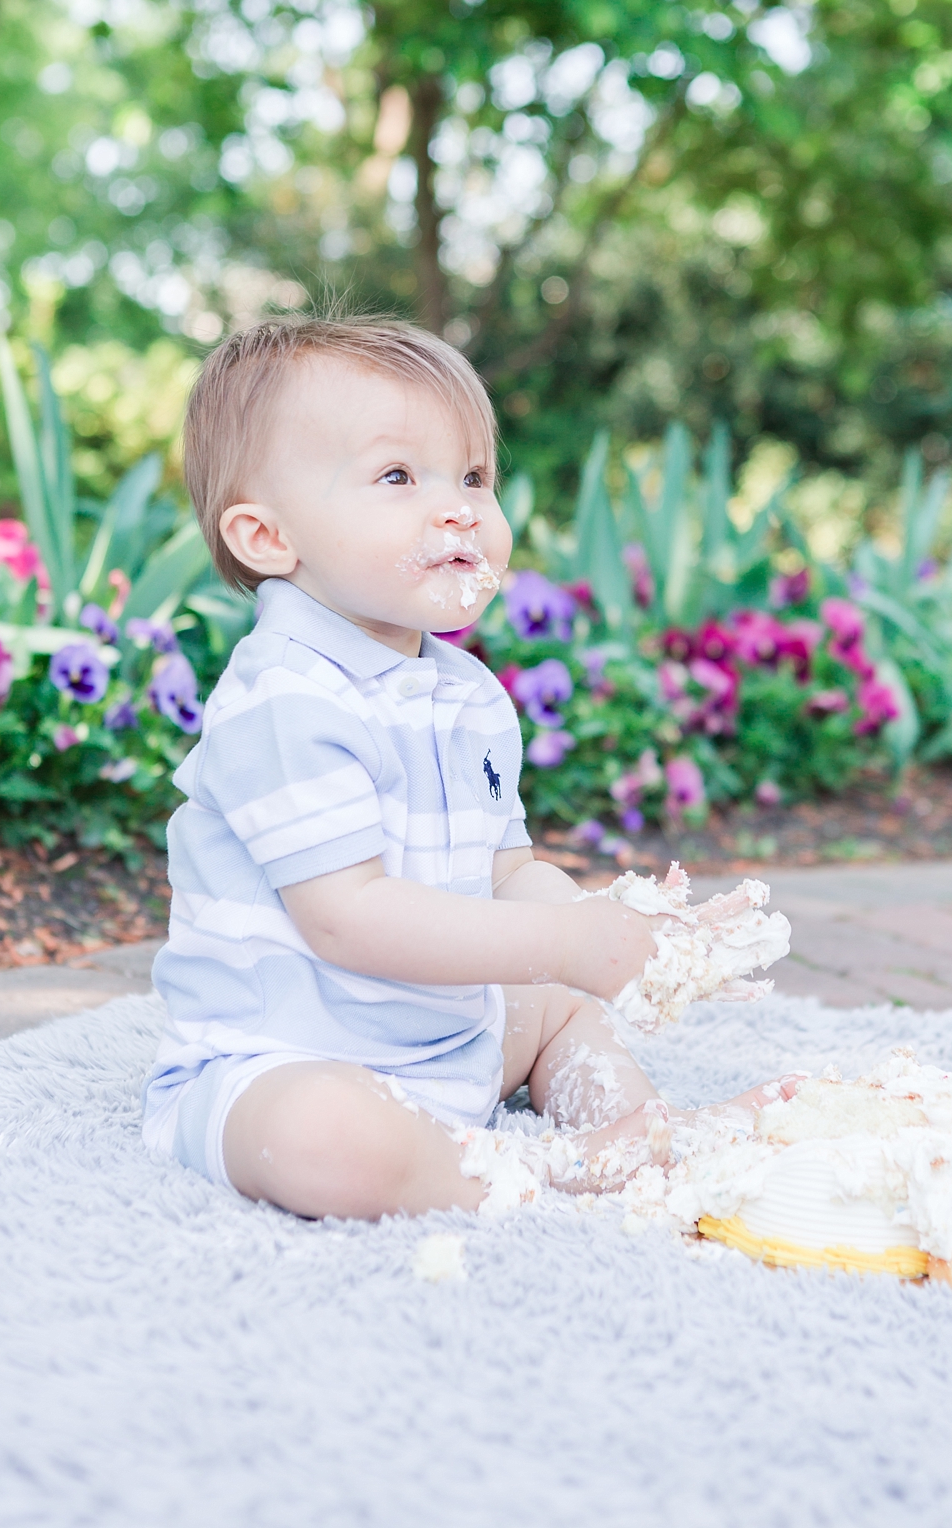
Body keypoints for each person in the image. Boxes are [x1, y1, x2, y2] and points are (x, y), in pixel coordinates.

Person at [141, 314, 789, 1219]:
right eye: (399, 476)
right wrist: (562, 946)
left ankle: (645, 1132)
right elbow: (347, 919)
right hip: (285, 1054)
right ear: (267, 538)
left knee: (560, 1011)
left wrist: (603, 927)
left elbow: (507, 873)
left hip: (444, 1036)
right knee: (329, 1139)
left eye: (475, 477)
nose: (460, 508)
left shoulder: (469, 696)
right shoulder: (283, 700)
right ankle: (549, 1174)